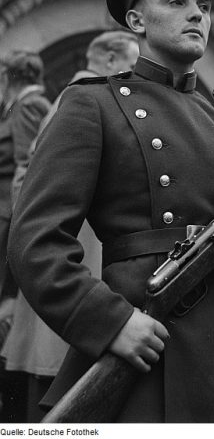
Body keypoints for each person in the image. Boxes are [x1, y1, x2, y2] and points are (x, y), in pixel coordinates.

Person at [7, 0, 214, 423]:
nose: (197, 14)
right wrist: (109, 323)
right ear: (136, 21)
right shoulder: (93, 104)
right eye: (176, 0)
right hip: (144, 343)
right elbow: (35, 240)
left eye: (204, 4)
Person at [0, 30, 139, 422]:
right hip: (76, 246)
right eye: (131, 63)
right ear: (110, 60)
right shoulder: (84, 97)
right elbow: (31, 180)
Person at [0, 49, 51, 421]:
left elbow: (26, 167)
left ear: (9, 76)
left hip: (8, 221)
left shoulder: (30, 105)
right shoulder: (17, 105)